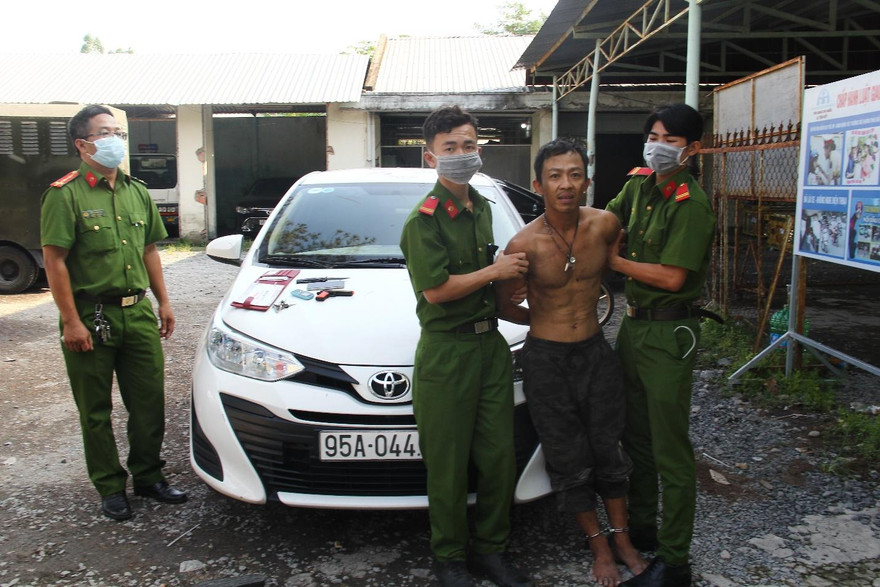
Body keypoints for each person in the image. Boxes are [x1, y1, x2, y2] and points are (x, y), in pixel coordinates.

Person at [495, 138, 648, 586]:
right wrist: (543, 316)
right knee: (566, 455)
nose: (566, 184)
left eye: (575, 174)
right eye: (556, 176)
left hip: (596, 353)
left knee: (608, 447)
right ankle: (597, 543)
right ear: (538, 183)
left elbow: (624, 264)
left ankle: (622, 538)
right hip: (546, 359)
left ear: (587, 179)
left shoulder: (605, 225)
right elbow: (505, 307)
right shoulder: (523, 243)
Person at [399, 105, 532, 587]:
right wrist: (495, 271)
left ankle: (492, 550)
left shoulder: (483, 208)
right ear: (430, 158)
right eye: (450, 147)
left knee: (498, 457)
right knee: (449, 463)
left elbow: (491, 286)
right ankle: (450, 557)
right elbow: (436, 290)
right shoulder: (424, 220)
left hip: (489, 348)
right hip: (446, 352)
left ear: (480, 150)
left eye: (469, 145)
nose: (461, 154)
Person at [40, 104, 187, 522]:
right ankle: (109, 485)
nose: (115, 140)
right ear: (83, 143)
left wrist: (164, 301)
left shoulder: (136, 190)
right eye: (105, 132)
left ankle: (148, 477)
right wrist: (71, 320)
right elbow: (55, 262)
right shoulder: (64, 194)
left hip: (136, 313)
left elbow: (150, 251)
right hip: (90, 315)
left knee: (148, 403)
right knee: (96, 409)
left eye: (118, 132)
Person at [605, 104, 716, 587]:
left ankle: (675, 561)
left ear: (691, 149)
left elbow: (672, 277)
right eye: (653, 135)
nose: (658, 145)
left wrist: (616, 261)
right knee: (635, 437)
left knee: (670, 447)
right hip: (632, 327)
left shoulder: (692, 203)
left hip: (671, 332)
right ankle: (644, 527)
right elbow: (603, 222)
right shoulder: (639, 186)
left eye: (670, 139)